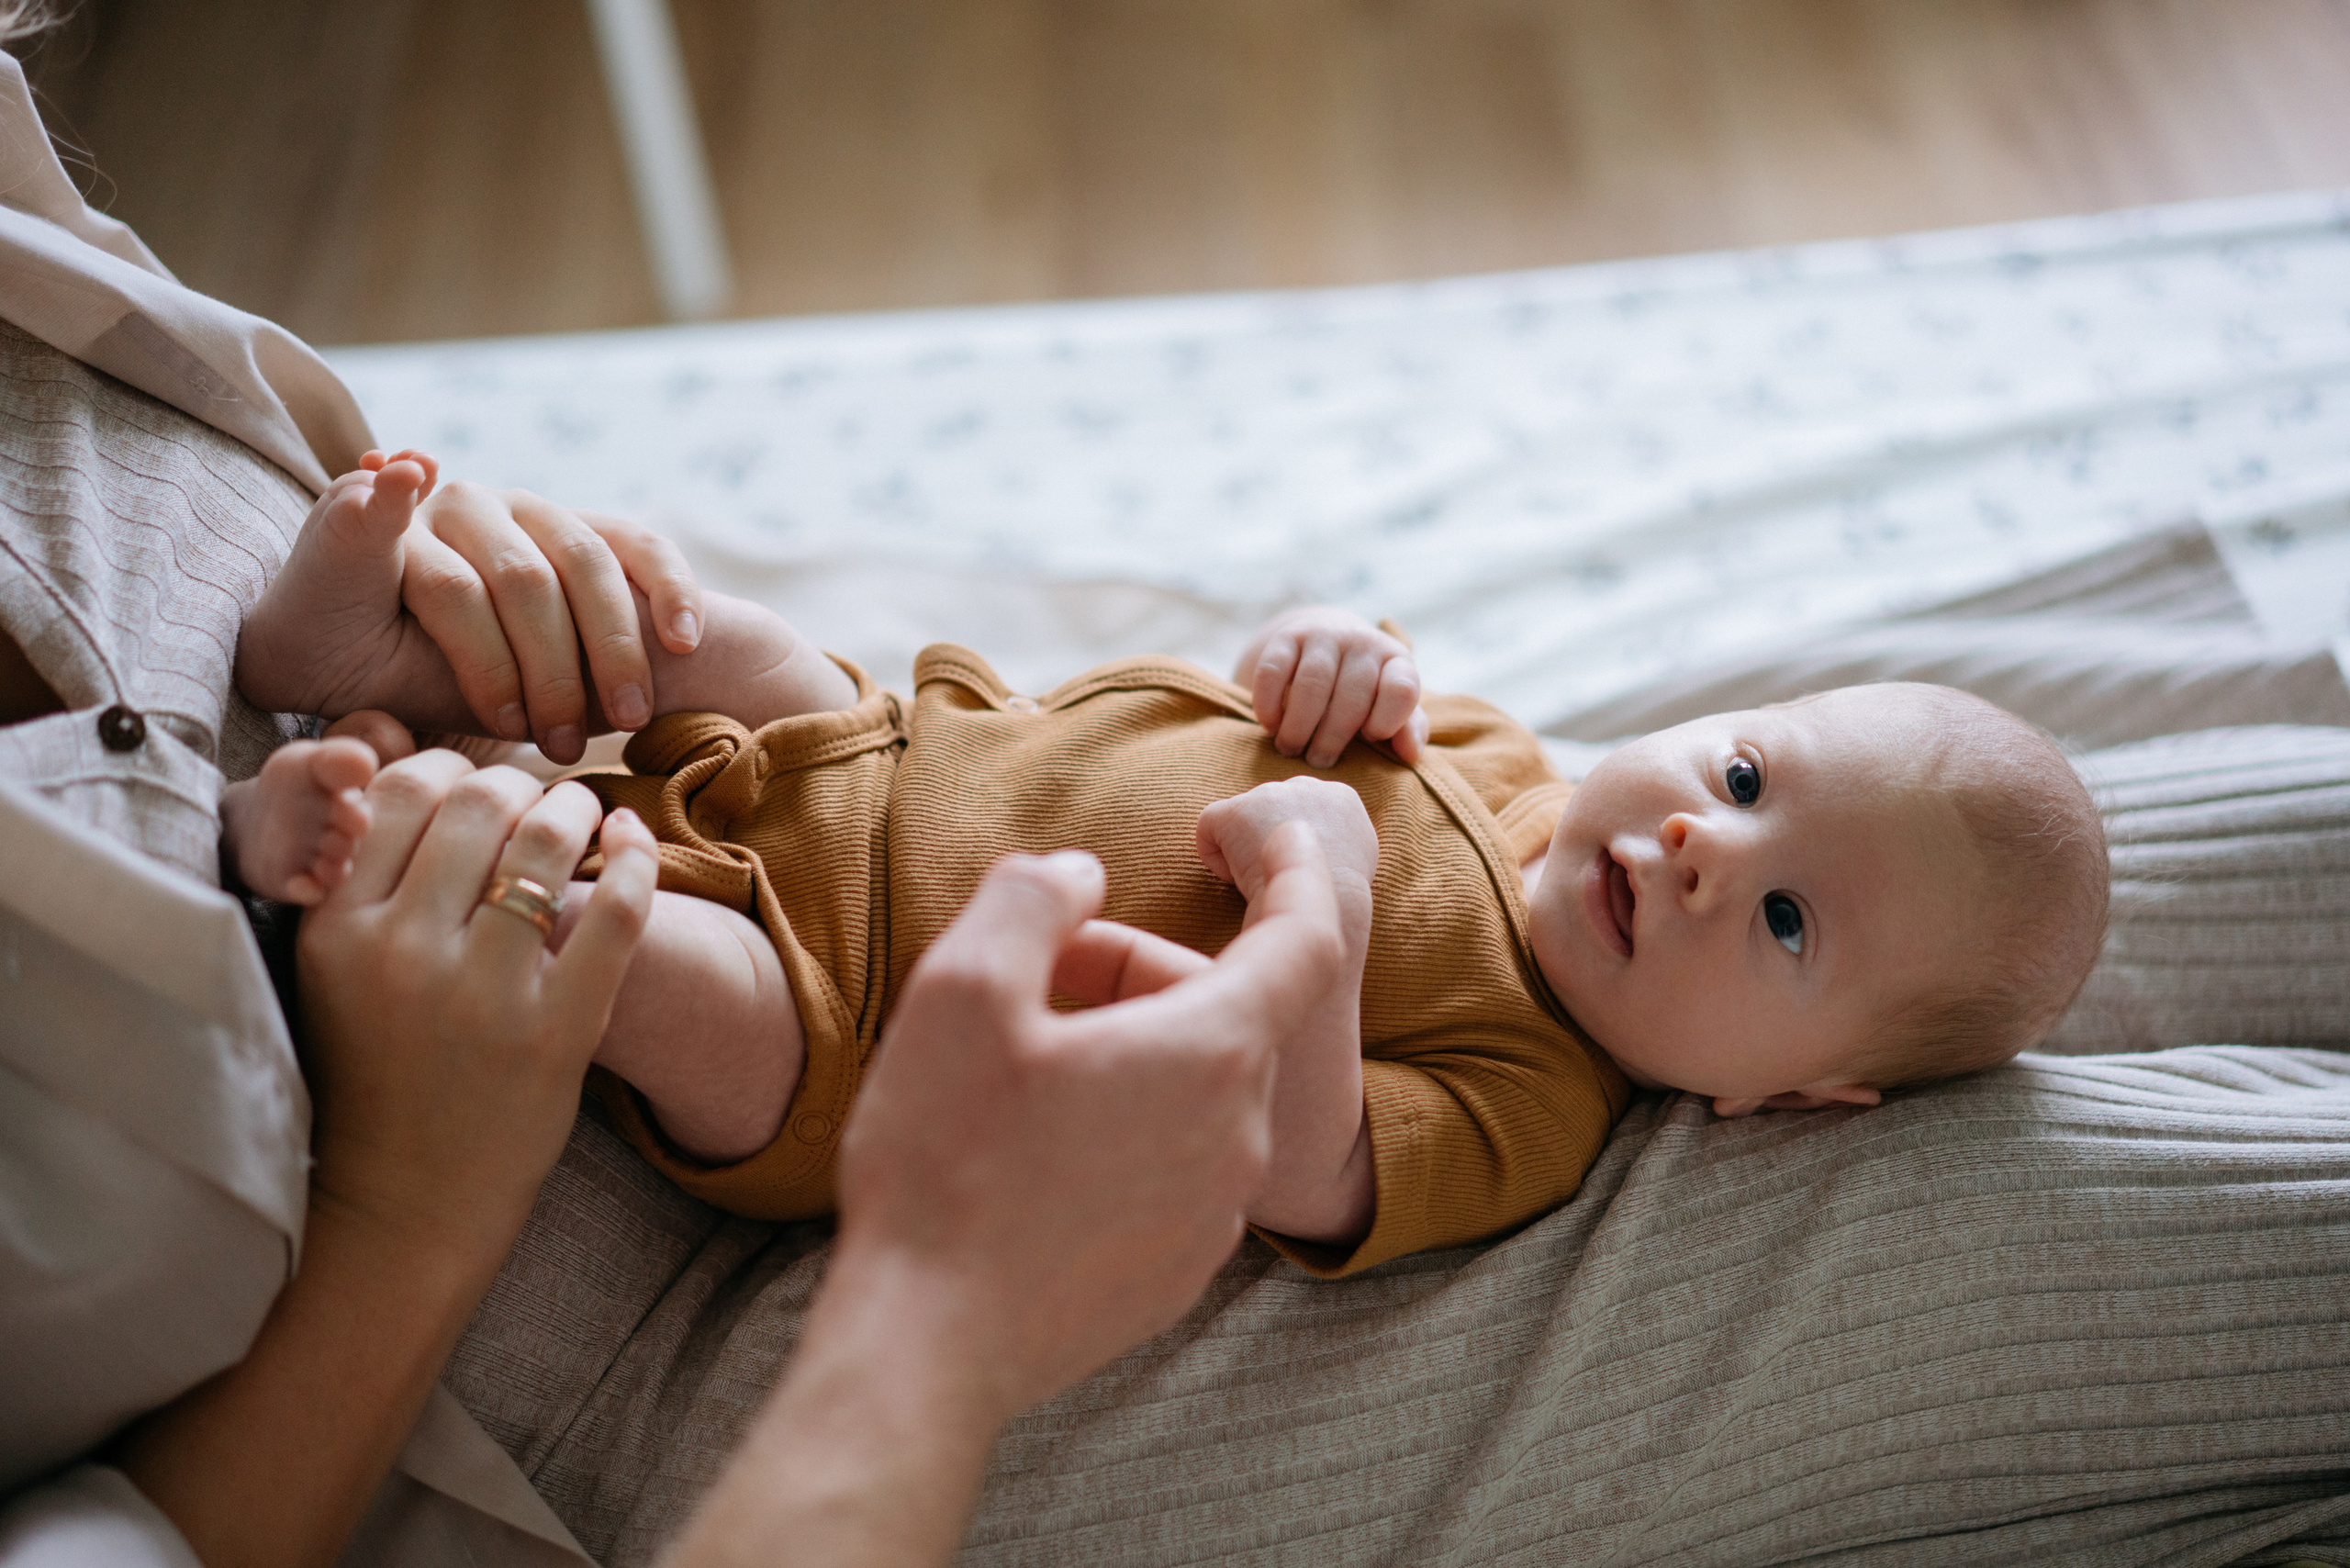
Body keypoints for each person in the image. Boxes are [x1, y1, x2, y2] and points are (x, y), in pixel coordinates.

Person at [0, 29, 1350, 1568]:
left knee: (714, 660)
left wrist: (454, 584)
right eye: (1708, 768)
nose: (1688, 839)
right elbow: (1306, 1145)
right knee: (687, 939)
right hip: (662, 1293)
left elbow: (1363, 1149)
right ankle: (513, 882)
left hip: (794, 864)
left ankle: (393, 721)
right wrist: (407, 1201)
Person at [241, 458, 2109, 1279]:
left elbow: (1291, 1162)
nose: (1708, 848)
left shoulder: (1534, 1098)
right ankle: (370, 671)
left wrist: (1322, 916)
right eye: (1743, 768)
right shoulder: (1492, 747)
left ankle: (362, 854)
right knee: (694, 629)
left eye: (1787, 915)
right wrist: (1325, 647)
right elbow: (1257, 690)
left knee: (619, 947)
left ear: (1800, 1094)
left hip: (850, 1045)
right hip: (889, 745)